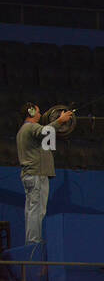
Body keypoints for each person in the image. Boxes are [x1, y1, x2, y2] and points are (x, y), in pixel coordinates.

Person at [16, 103, 72, 249]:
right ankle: (34, 244)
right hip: (37, 175)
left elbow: (47, 139)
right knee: (37, 211)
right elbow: (45, 131)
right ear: (31, 111)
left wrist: (57, 125)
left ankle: (31, 242)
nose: (40, 115)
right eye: (38, 112)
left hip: (32, 175)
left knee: (32, 210)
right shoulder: (31, 127)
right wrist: (60, 120)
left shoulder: (24, 129)